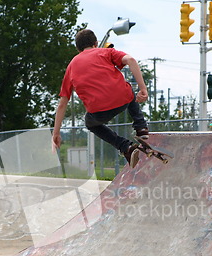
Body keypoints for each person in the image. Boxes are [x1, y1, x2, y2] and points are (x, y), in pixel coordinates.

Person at [52, 29, 149, 168]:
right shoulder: (106, 52)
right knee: (127, 88)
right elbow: (131, 60)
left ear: (78, 49)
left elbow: (62, 104)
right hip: (123, 100)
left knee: (89, 123)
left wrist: (56, 133)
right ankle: (141, 128)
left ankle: (125, 147)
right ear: (96, 43)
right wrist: (143, 88)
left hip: (98, 113)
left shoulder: (71, 67)